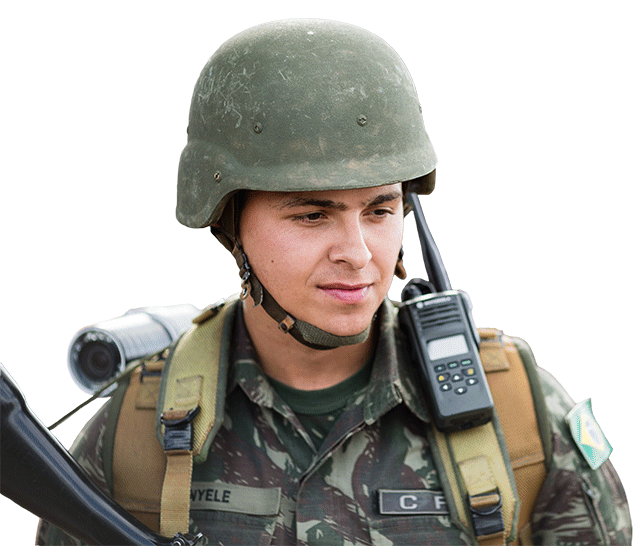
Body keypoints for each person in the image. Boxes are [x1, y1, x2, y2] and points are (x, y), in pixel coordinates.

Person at [37, 18, 631, 545]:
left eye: (380, 210)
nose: (358, 254)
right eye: (312, 216)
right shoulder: (134, 439)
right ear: (229, 223)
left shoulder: (519, 418)